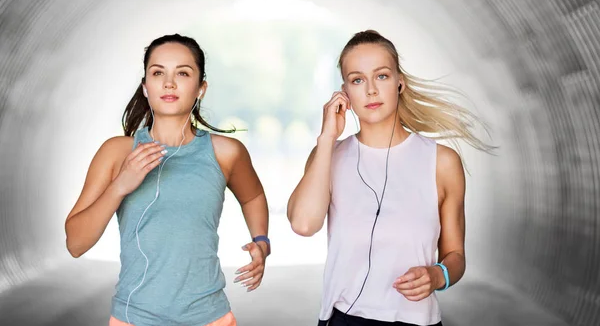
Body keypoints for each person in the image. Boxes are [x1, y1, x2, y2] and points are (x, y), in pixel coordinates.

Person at [287, 30, 493, 326]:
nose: (371, 90)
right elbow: (304, 224)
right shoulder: (327, 156)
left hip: (415, 320)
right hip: (344, 320)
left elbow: (455, 255)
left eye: (381, 76)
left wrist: (437, 275)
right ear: (344, 92)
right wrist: (327, 137)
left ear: (399, 82)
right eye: (358, 80)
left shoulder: (442, 162)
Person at [65, 34, 270, 326]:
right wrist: (121, 185)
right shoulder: (116, 152)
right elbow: (75, 243)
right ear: (145, 87)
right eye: (158, 72)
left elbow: (253, 197)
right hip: (134, 319)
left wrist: (261, 241)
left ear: (201, 88)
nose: (169, 83)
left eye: (183, 73)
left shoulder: (226, 153)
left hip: (210, 318)